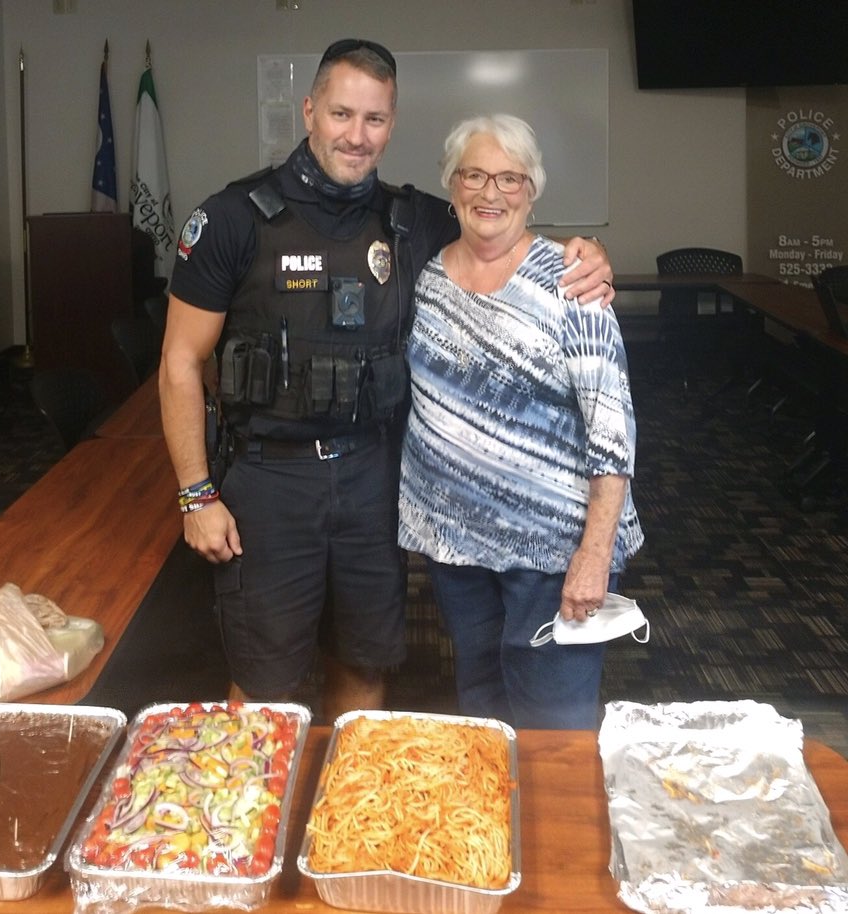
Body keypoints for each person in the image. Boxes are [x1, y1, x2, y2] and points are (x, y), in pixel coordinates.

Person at [159, 40, 615, 723]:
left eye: (374, 119)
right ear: (310, 111)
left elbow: (497, 229)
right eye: (342, 114)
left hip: (375, 480)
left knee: (365, 665)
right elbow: (179, 364)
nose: (356, 134)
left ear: (392, 123)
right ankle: (249, 823)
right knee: (263, 682)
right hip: (271, 483)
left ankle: (350, 818)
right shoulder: (231, 219)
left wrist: (584, 255)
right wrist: (195, 495)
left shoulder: (416, 220)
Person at [397, 114, 644, 730]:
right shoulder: (426, 278)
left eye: (510, 178)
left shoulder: (573, 282)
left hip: (553, 548)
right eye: (475, 175)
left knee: (553, 719)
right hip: (455, 543)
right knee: (481, 702)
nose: (491, 193)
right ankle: (497, 824)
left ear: (532, 190)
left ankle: (557, 827)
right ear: (451, 186)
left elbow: (612, 431)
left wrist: (596, 551)